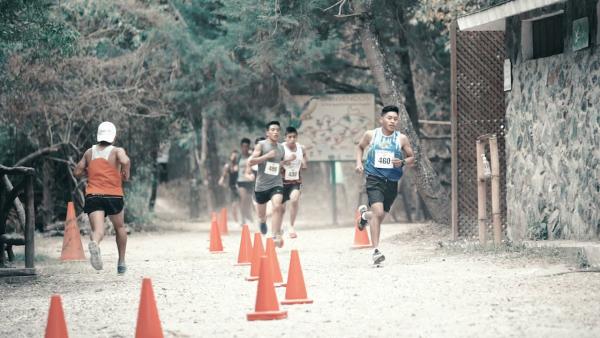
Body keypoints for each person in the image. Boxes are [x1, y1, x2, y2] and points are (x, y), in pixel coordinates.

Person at [355, 105, 415, 265]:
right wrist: (359, 163)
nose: (392, 121)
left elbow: (412, 158)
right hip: (374, 179)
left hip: (392, 182)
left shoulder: (401, 138)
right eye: (389, 118)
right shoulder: (371, 135)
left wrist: (402, 161)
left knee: (379, 215)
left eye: (395, 119)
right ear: (381, 119)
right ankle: (375, 251)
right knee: (379, 212)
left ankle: (364, 216)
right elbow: (360, 147)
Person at [74, 121, 131, 274]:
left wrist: (88, 169)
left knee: (98, 230)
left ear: (98, 135)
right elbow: (126, 161)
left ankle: (94, 243)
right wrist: (126, 173)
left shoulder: (89, 152)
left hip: (94, 196)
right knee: (119, 227)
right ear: (113, 136)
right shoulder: (117, 151)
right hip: (113, 196)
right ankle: (121, 262)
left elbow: (77, 171)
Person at [247, 121, 290, 247]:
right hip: (261, 186)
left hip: (276, 183)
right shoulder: (261, 145)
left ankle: (275, 235)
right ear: (267, 133)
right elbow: (251, 162)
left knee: (278, 206)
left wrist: (285, 164)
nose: (276, 132)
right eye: (273, 129)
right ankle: (262, 221)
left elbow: (278, 165)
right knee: (261, 215)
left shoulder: (281, 148)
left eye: (277, 129)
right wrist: (266, 156)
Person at [281, 126, 308, 239]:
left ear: (297, 137)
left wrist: (304, 162)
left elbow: (305, 158)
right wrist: (287, 161)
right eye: (289, 137)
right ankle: (280, 225)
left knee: (294, 199)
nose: (292, 139)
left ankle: (291, 226)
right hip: (281, 181)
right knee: (280, 207)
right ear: (285, 138)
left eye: (294, 137)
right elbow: (274, 164)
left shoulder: (301, 148)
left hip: (295, 181)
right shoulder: (280, 148)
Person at [218, 150, 240, 226]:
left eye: (236, 156)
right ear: (230, 157)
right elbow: (223, 176)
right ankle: (236, 221)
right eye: (233, 156)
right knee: (234, 205)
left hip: (241, 187)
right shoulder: (228, 166)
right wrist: (222, 180)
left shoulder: (240, 165)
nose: (234, 158)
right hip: (232, 188)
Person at [236, 138, 255, 226]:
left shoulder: (251, 156)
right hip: (241, 181)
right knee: (243, 199)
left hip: (250, 181)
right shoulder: (238, 157)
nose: (245, 148)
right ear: (241, 147)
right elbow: (233, 168)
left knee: (248, 200)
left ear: (249, 147)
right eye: (243, 146)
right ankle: (243, 218)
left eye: (247, 146)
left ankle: (248, 214)